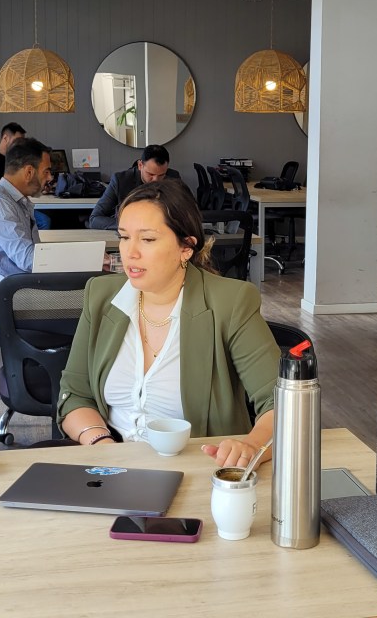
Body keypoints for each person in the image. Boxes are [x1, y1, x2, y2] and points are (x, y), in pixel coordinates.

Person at [58, 180, 277, 470]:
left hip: (197, 468)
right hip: (110, 465)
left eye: (147, 240)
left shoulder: (231, 303)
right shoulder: (101, 296)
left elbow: (281, 403)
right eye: (124, 237)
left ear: (186, 247)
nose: (130, 252)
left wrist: (250, 446)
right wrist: (102, 444)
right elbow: (74, 393)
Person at [0, 138, 52, 275]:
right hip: (1, 285)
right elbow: (28, 260)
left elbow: (35, 254)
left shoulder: (19, 201)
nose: (50, 178)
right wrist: (75, 259)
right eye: (46, 171)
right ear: (29, 172)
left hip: (20, 280)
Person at [88, 145, 184, 230]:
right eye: (150, 174)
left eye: (161, 175)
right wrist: (130, 225)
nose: (155, 180)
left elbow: (187, 213)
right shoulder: (120, 180)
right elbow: (95, 219)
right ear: (140, 165)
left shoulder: (173, 178)